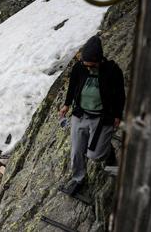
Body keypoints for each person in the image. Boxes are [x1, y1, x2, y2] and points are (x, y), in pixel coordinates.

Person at [59, 35, 125, 195]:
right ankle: (78, 179)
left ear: (99, 60)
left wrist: (117, 115)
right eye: (85, 64)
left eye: (90, 65)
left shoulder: (112, 70)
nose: (87, 68)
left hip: (103, 117)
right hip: (80, 114)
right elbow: (73, 86)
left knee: (95, 156)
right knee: (76, 151)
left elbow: (120, 95)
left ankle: (108, 153)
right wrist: (66, 104)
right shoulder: (79, 68)